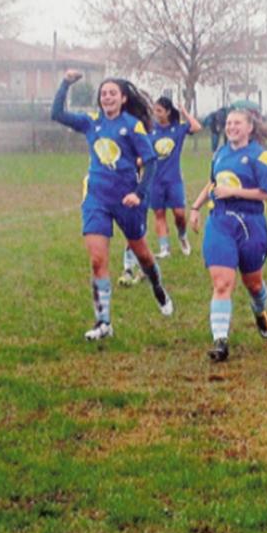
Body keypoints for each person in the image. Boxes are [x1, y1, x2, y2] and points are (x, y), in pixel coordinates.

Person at [49, 70, 173, 340]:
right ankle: (103, 322)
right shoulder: (91, 123)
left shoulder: (132, 126)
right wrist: (66, 84)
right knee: (96, 261)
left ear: (123, 98)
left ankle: (157, 286)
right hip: (97, 198)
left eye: (112, 93)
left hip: (127, 199)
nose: (107, 97)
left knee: (142, 254)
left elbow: (150, 161)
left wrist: (139, 194)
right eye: (103, 94)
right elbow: (56, 114)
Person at [188, 107, 267, 362]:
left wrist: (234, 193)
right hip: (220, 221)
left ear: (250, 128)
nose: (231, 127)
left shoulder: (261, 157)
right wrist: (196, 207)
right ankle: (220, 341)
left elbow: (266, 193)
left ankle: (260, 311)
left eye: (237, 123)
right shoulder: (219, 153)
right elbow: (213, 184)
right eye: (229, 123)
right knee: (221, 284)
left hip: (251, 223)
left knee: (253, 284)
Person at [144, 96, 204, 258]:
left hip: (173, 180)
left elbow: (197, 127)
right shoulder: (150, 130)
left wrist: (184, 111)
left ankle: (182, 235)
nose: (156, 114)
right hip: (154, 181)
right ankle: (165, 249)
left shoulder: (177, 129)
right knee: (159, 214)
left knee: (179, 214)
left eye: (159, 111)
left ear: (168, 112)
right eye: (154, 110)